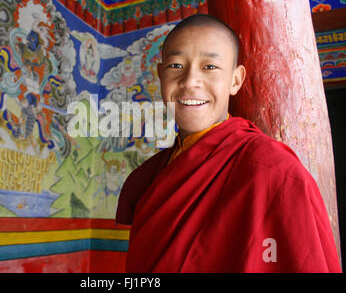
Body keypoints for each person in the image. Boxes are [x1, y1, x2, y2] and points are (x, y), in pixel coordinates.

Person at [115, 14, 341, 273]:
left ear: (236, 80)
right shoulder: (148, 177)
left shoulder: (274, 172)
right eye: (175, 66)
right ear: (160, 75)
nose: (189, 81)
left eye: (209, 67)